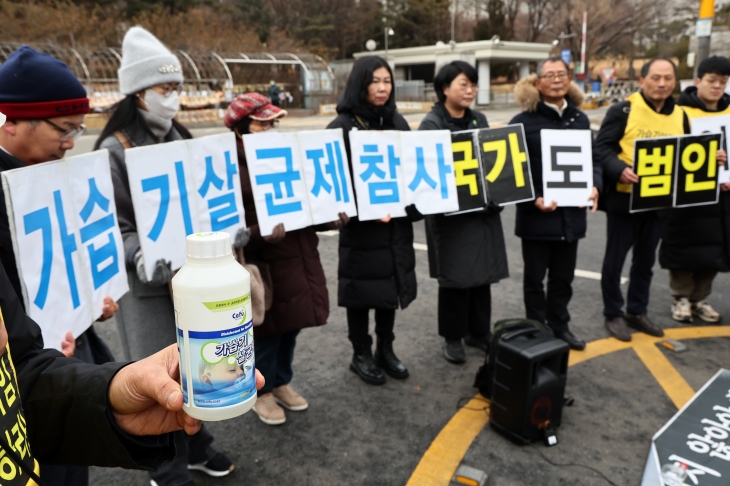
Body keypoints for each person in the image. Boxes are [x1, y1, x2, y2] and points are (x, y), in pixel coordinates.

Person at [95, 26, 236, 485]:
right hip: (149, 288)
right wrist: (141, 256)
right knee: (161, 379)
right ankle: (167, 470)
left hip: (195, 278)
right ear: (137, 92)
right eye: (165, 88)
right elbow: (113, 225)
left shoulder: (182, 136)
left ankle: (197, 446)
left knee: (200, 365)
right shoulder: (114, 148)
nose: (173, 97)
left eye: (177, 87)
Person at [0, 253, 264, 483]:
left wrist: (109, 398)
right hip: (147, 292)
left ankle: (195, 452)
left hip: (31, 462)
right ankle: (169, 477)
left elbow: (20, 371)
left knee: (172, 393)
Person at [0, 45, 121, 485]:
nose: (72, 141)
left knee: (73, 468)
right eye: (64, 129)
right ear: (10, 122)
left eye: (78, 128)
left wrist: (90, 304)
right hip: (21, 383)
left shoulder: (57, 174)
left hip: (70, 356)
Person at [224, 92, 337, 425]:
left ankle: (281, 381)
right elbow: (229, 226)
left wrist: (331, 216)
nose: (271, 128)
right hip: (266, 263)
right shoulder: (229, 166)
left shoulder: (288, 155)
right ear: (241, 128)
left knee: (292, 326)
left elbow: (312, 198)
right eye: (263, 123)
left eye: (273, 122)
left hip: (299, 254)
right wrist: (259, 232)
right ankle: (261, 393)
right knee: (267, 334)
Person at [327, 56, 421, 385]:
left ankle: (386, 349)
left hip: (395, 229)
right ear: (360, 84)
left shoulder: (397, 122)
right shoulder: (341, 126)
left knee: (388, 291)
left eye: (387, 81)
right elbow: (328, 184)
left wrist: (417, 205)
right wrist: (363, 213)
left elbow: (415, 172)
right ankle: (361, 354)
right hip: (362, 233)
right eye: (375, 81)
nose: (382, 88)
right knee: (360, 295)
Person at [418, 61, 508, 363]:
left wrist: (500, 193)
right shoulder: (432, 124)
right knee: (455, 279)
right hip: (451, 218)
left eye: (473, 84)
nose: (470, 90)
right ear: (445, 88)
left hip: (481, 213)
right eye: (463, 84)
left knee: (482, 276)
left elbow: (492, 163)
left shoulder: (479, 119)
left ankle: (479, 331)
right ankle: (453, 337)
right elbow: (429, 173)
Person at [509, 57, 601, 351]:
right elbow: (511, 171)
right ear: (537, 83)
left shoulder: (580, 119)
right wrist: (533, 198)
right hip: (537, 217)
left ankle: (560, 326)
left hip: (571, 216)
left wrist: (596, 185)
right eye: (550, 75)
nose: (557, 80)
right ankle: (536, 330)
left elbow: (594, 159)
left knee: (563, 279)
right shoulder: (522, 122)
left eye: (562, 74)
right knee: (534, 282)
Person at [596, 58, 689, 342]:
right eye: (656, 78)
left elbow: (688, 152)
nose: (662, 84)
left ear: (675, 81)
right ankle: (613, 313)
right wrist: (618, 170)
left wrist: (713, 158)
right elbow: (601, 148)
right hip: (624, 202)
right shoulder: (623, 109)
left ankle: (637, 311)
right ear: (642, 80)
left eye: (668, 78)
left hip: (660, 202)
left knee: (645, 262)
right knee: (615, 261)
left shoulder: (681, 114)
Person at [659, 55, 730, 324]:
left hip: (723, 195)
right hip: (687, 193)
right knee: (684, 246)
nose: (717, 87)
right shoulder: (679, 112)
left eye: (722, 82)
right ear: (697, 81)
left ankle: (700, 298)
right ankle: (680, 297)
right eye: (711, 81)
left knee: (715, 248)